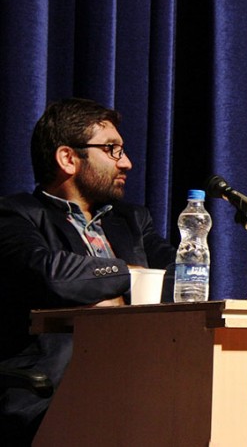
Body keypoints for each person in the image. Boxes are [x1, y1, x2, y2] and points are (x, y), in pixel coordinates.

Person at [0, 98, 176, 444]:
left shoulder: (132, 220)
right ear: (68, 158)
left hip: (139, 379)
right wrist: (132, 277)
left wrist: (104, 292)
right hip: (54, 392)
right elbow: (53, 275)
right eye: (111, 150)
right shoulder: (15, 215)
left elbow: (183, 276)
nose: (126, 162)